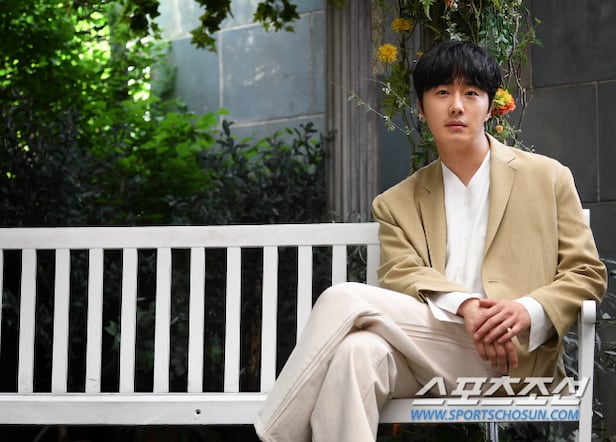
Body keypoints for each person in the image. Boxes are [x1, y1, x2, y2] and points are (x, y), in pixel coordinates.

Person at [254, 40, 607, 442]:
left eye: (470, 93)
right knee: (357, 353)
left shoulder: (547, 177)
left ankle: (271, 434)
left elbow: (586, 273)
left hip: (515, 358)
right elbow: (401, 273)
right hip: (428, 356)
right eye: (442, 93)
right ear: (421, 109)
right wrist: (467, 306)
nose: (456, 106)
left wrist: (525, 311)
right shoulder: (396, 202)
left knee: (341, 299)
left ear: (490, 107)